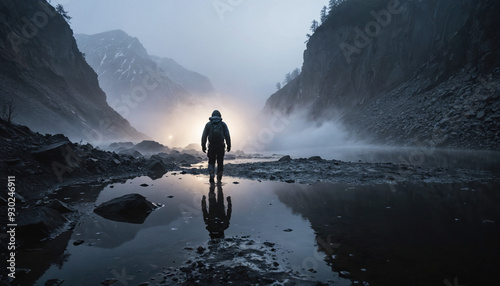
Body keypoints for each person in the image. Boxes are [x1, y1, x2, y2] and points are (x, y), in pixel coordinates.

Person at [201, 110, 231, 182]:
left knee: (211, 161)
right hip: (220, 145)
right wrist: (229, 145)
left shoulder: (208, 124)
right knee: (220, 162)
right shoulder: (223, 124)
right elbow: (227, 135)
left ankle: (211, 174)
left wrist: (203, 145)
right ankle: (219, 178)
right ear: (220, 116)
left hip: (212, 146)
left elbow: (204, 136)